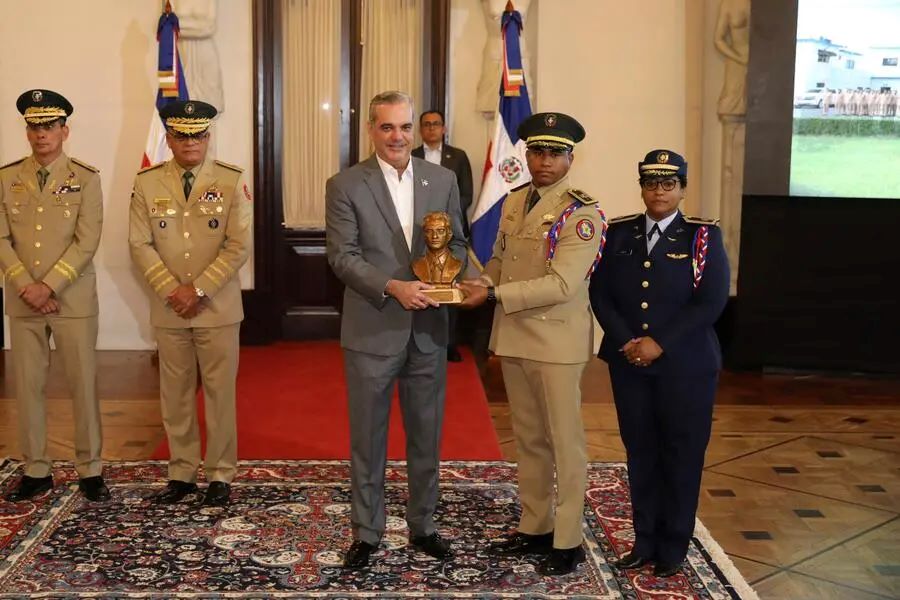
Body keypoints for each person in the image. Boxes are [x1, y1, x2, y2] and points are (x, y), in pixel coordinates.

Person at [458, 112, 604, 576]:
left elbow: (561, 284)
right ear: (527, 155)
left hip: (556, 341)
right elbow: (500, 260)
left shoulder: (581, 214)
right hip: (516, 334)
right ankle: (535, 526)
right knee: (530, 440)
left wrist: (493, 295)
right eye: (537, 152)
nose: (544, 161)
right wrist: (481, 282)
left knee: (565, 443)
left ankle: (568, 539)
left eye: (555, 153)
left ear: (570, 159)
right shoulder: (516, 200)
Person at [325, 90, 467, 570]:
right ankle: (367, 532)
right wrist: (393, 287)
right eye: (387, 127)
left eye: (405, 127)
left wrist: (448, 278)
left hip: (429, 331)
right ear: (371, 130)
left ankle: (423, 526)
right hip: (372, 330)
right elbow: (343, 257)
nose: (398, 136)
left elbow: (458, 243)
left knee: (426, 437)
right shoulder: (345, 185)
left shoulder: (442, 179)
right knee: (368, 439)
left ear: (416, 130)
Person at [589, 149, 729, 578]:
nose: (659, 191)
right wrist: (627, 341)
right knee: (641, 453)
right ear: (642, 188)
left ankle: (673, 546)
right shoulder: (619, 233)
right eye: (651, 183)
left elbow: (711, 302)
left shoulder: (702, 237)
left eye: (669, 184)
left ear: (682, 189)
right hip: (629, 363)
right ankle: (644, 540)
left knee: (681, 454)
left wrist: (659, 343)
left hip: (686, 366)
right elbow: (600, 293)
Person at [129, 100, 251, 507]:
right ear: (169, 139)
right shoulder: (147, 182)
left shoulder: (231, 180)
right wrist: (172, 289)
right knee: (175, 394)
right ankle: (181, 473)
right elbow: (139, 243)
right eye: (181, 135)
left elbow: (238, 245)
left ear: (208, 137)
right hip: (170, 308)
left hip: (217, 308)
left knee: (219, 394)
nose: (190, 142)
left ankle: (220, 473)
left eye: (197, 134)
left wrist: (198, 290)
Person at [0, 89, 108, 503]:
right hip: (22, 298)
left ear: (65, 130)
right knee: (28, 387)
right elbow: (2, 238)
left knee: (83, 384)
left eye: (49, 126)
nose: (41, 134)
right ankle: (36, 469)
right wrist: (26, 285)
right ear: (27, 131)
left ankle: (90, 469)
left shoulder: (86, 177)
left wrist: (48, 286)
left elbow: (87, 241)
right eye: (34, 126)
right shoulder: (7, 177)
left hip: (72, 299)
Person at [412, 109, 473, 362]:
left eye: (436, 124)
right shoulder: (411, 156)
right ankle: (421, 339)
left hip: (449, 232)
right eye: (426, 124)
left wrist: (444, 220)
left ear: (444, 128)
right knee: (423, 286)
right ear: (420, 129)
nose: (431, 128)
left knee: (450, 286)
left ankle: (449, 342)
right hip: (420, 233)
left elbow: (466, 193)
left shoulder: (458, 156)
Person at [411, 211, 463, 286]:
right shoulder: (417, 266)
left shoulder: (457, 265)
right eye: (429, 231)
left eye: (440, 231)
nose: (434, 236)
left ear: (449, 235)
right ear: (424, 235)